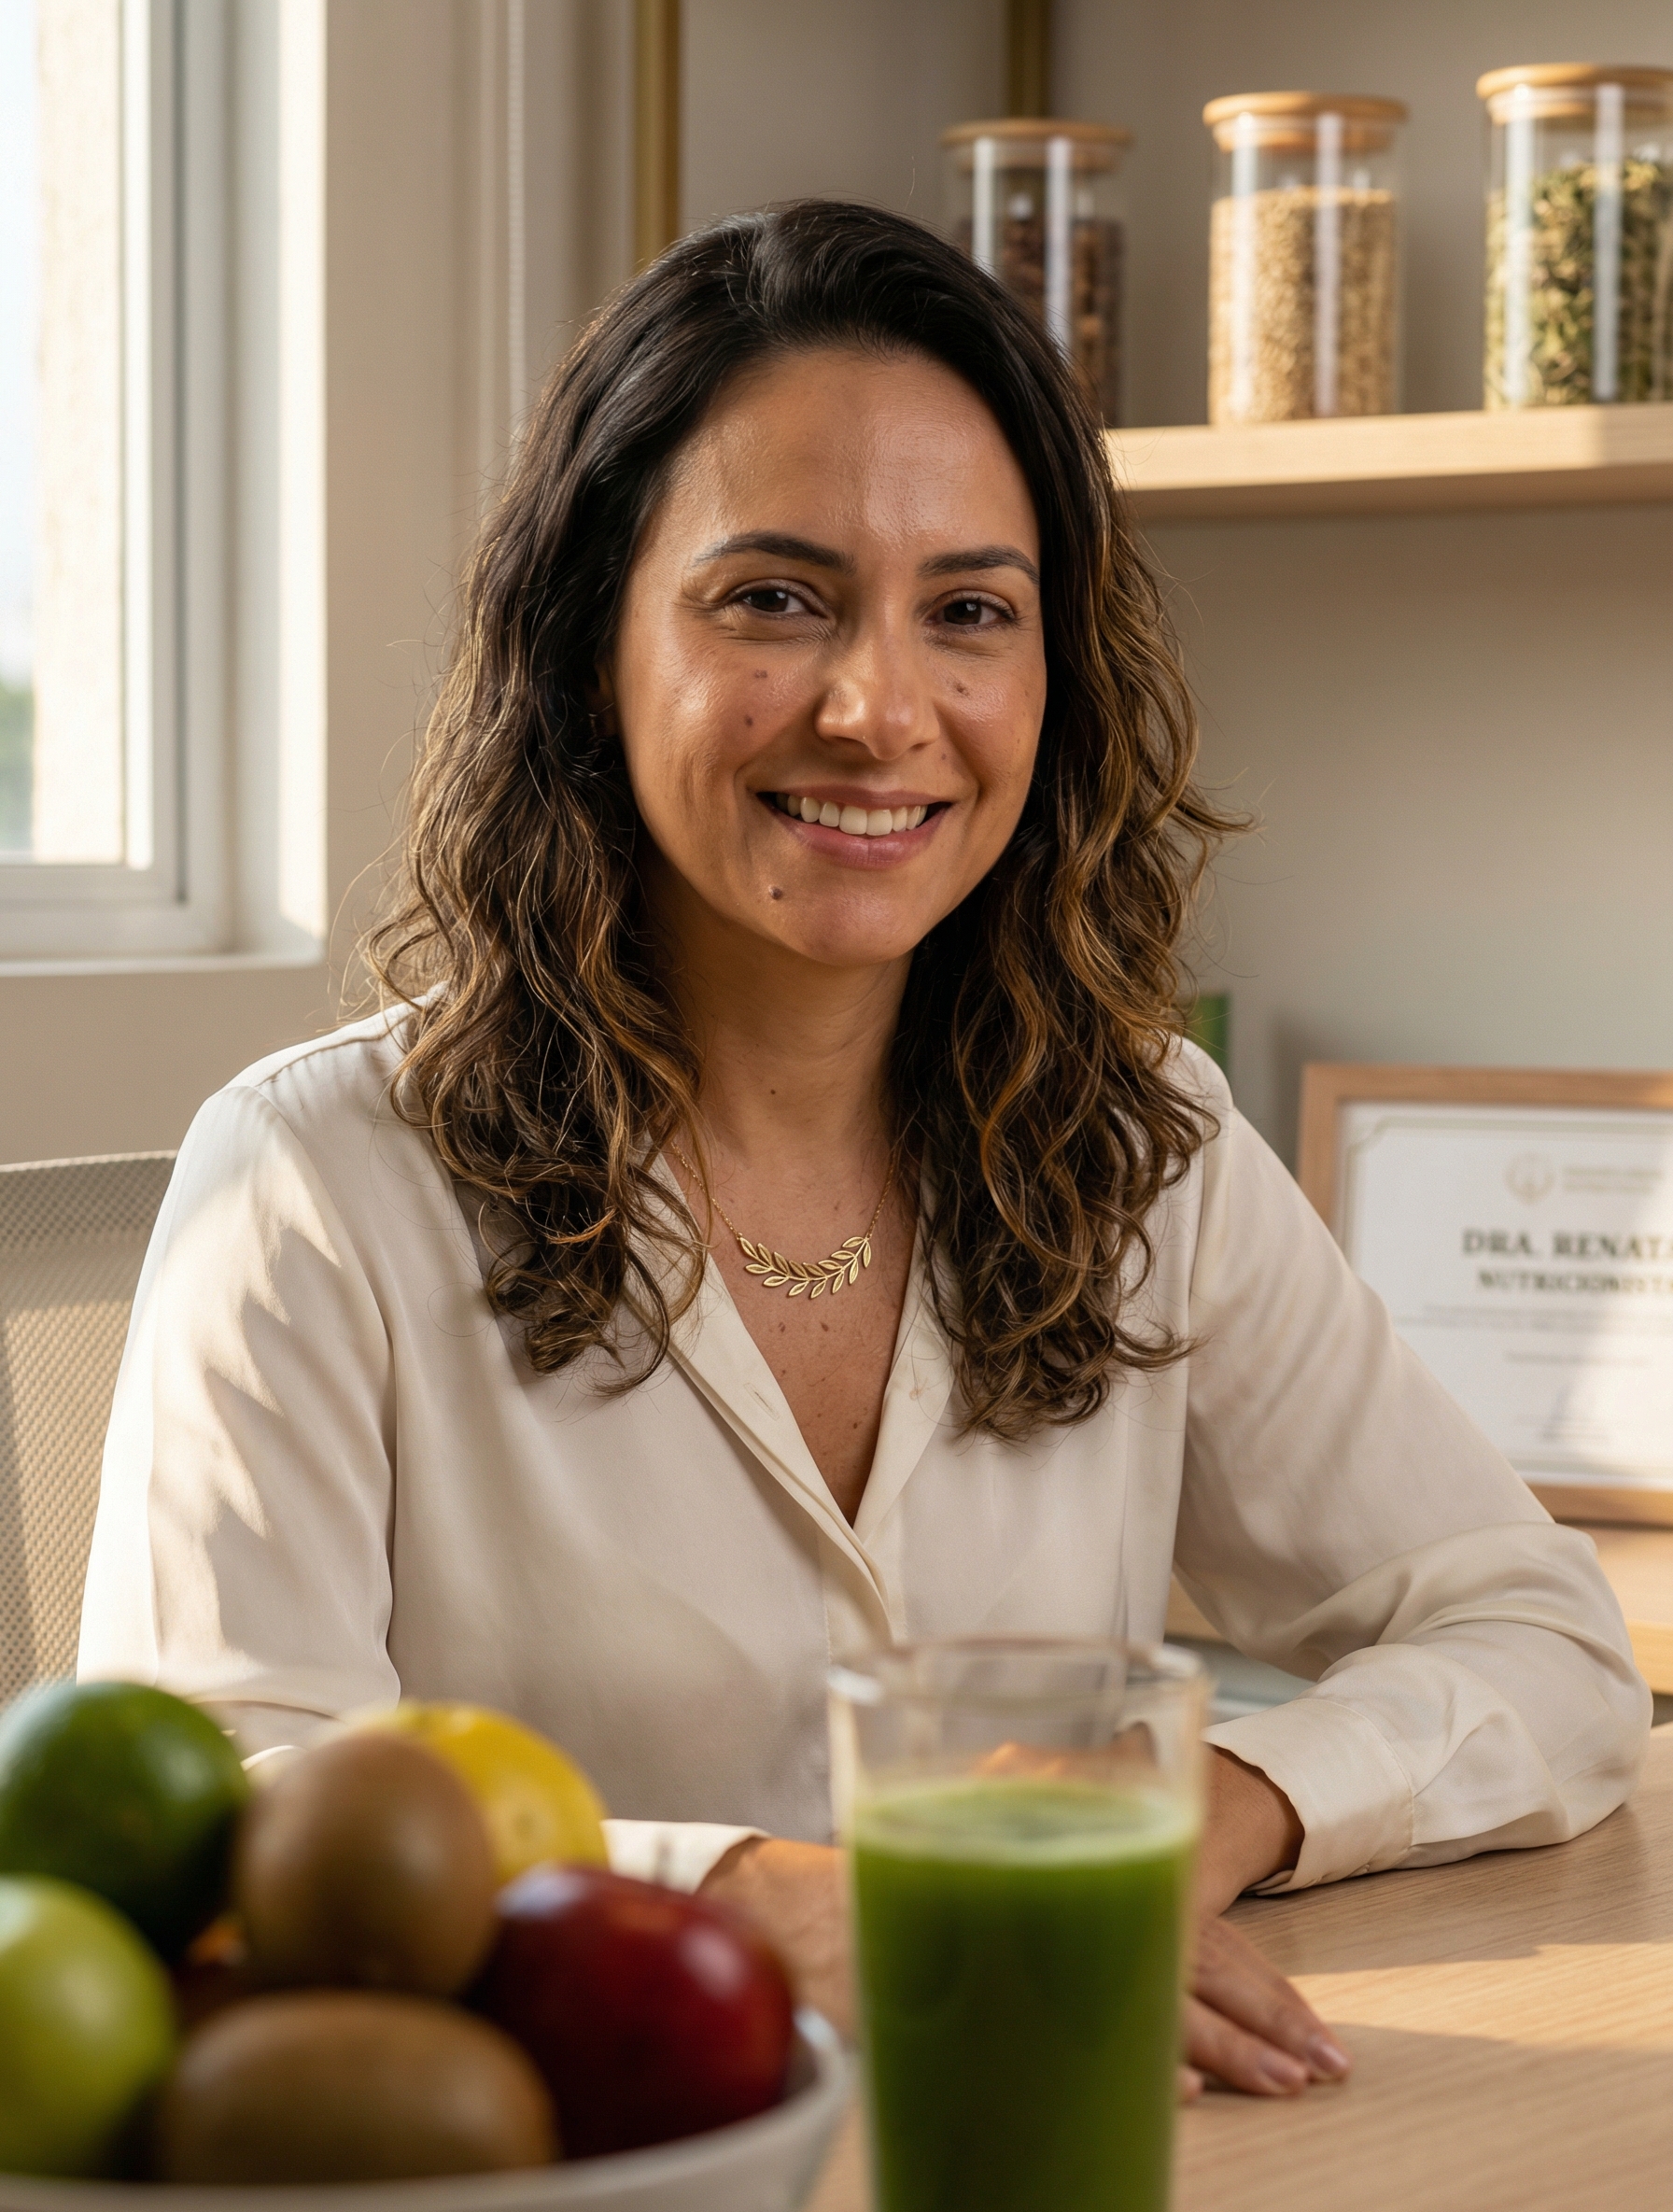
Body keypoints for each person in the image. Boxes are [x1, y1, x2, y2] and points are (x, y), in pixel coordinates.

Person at [81, 201, 1647, 2098]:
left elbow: (1536, 1640)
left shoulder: (1144, 1144)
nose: (878, 709)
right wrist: (750, 1894)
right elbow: (215, 1801)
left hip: (1036, 2120)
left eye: (968, 613)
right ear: (590, 642)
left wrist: (1193, 1799)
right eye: (773, 598)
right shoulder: (307, 1178)